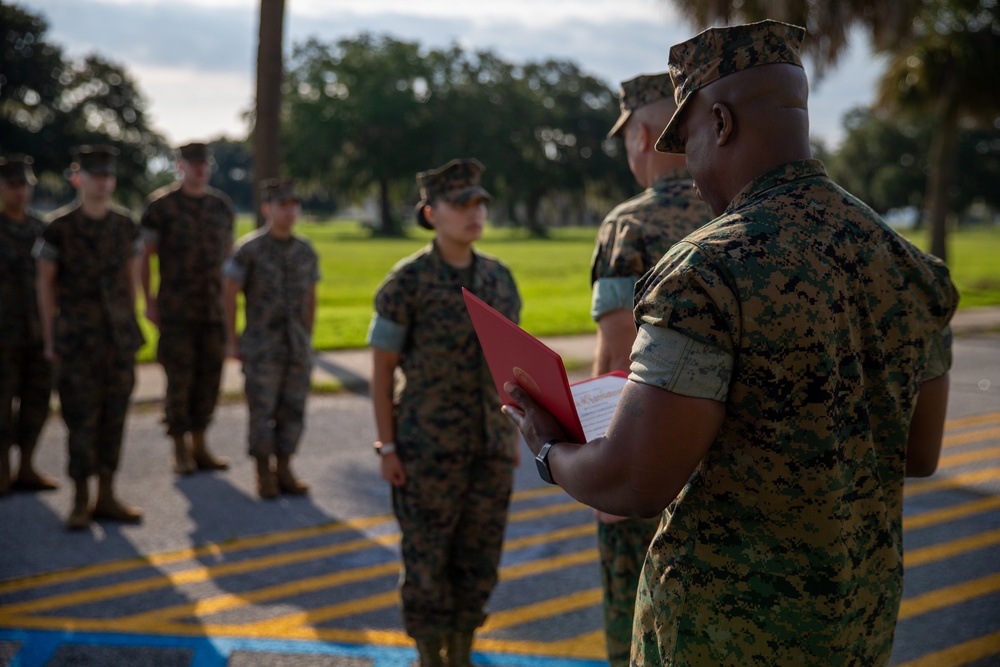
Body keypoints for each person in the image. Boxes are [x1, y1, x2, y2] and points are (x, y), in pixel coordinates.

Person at [503, 20, 959, 666]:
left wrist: (549, 448)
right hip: (854, 622)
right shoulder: (910, 265)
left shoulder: (707, 269)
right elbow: (919, 451)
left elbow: (634, 479)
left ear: (719, 123)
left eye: (686, 140)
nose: (688, 166)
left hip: (719, 631)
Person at [366, 159, 521, 667]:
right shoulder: (406, 282)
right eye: (461, 204)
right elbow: (383, 371)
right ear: (431, 213)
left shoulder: (499, 278)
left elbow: (513, 367)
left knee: (479, 559)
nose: (474, 213)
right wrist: (387, 446)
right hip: (425, 450)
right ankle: (430, 654)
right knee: (427, 560)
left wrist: (515, 437)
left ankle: (461, 648)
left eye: (479, 203)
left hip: (490, 448)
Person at [590, 71, 715, 667]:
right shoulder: (736, 206)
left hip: (644, 452)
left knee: (635, 627)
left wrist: (602, 463)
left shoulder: (628, 224)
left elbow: (618, 353)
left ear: (642, 136)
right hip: (720, 459)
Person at [34, 146, 146, 531]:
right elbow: (45, 286)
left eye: (108, 176)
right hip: (77, 341)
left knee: (114, 420)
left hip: (118, 342)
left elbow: (131, 282)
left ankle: (107, 495)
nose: (103, 182)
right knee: (80, 421)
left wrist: (131, 324)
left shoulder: (125, 225)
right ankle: (80, 500)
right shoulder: (58, 227)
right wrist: (50, 338)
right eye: (96, 175)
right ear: (78, 179)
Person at [141, 142, 235, 475]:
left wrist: (230, 305)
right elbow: (145, 256)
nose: (200, 169)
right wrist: (148, 300)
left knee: (210, 379)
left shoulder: (220, 206)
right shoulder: (161, 207)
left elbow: (229, 260)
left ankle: (200, 445)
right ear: (180, 166)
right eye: (193, 164)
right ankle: (179, 449)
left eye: (204, 164)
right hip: (176, 310)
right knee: (179, 380)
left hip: (212, 310)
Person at [222, 179, 319, 499]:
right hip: (262, 346)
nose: (290, 211)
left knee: (293, 409)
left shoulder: (305, 251)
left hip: (296, 346)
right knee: (262, 411)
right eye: (283, 205)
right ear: (267, 209)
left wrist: (308, 336)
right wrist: (232, 341)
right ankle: (264, 473)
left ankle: (286, 468)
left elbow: (311, 298)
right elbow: (229, 294)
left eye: (294, 204)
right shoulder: (249, 249)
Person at [0, 155, 58, 496]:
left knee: (37, 403)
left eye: (25, 186)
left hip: (39, 333)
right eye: (13, 186)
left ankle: (27, 467)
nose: (20, 192)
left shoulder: (44, 229)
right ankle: (2, 469)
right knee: (1, 406)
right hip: (3, 336)